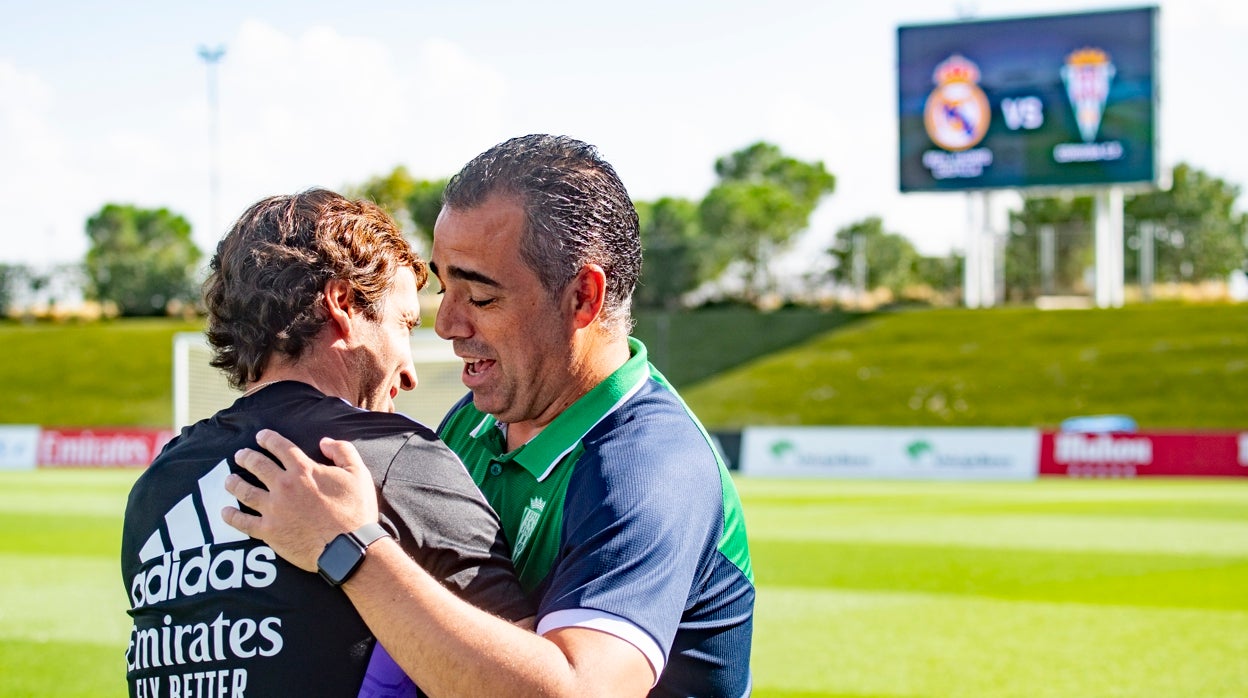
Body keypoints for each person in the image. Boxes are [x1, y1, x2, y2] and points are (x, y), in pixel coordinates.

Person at [223, 135, 756, 696]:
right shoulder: (469, 425)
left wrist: (349, 549)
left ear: (583, 298)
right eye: (445, 286)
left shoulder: (650, 464)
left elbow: (580, 690)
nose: (448, 324)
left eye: (479, 297)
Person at [121, 189, 532, 697]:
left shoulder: (156, 489)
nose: (409, 372)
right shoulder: (394, 459)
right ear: (342, 304)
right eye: (404, 325)